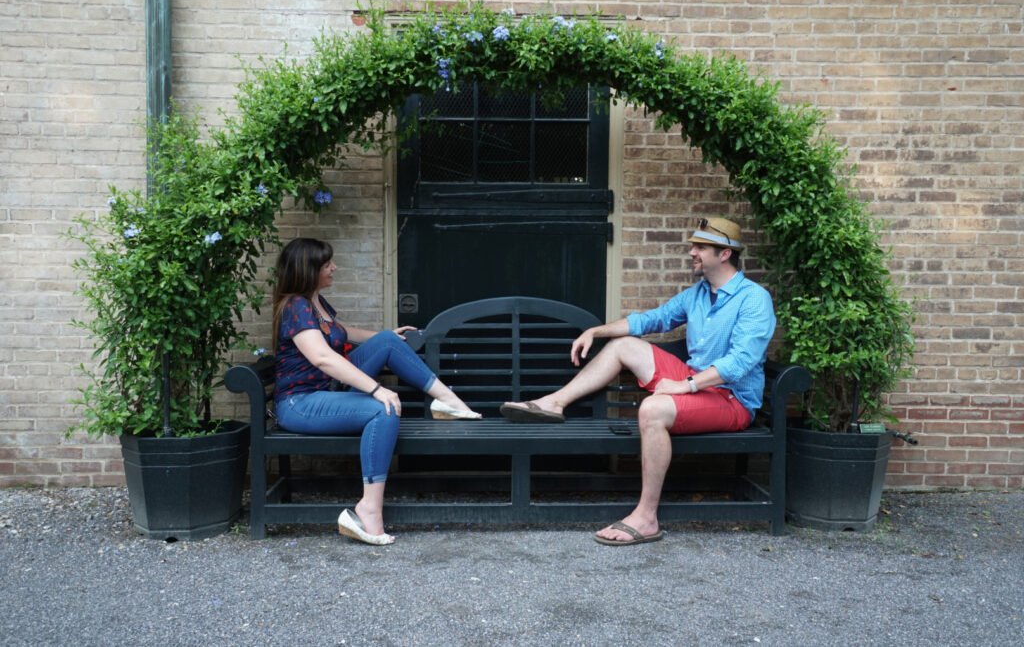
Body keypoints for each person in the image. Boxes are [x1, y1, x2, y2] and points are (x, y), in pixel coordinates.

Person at [500, 217, 776, 546]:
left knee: (652, 410)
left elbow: (741, 361)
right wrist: (595, 331)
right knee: (623, 346)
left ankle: (646, 518)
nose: (691, 253)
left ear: (725, 254)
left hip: (731, 400)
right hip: (697, 383)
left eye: (700, 247)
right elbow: (651, 320)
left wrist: (685, 386)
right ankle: (555, 402)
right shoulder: (698, 294)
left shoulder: (753, 299)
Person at [272, 237, 480, 546]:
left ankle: (448, 401)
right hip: (301, 403)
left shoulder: (314, 300)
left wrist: (386, 336)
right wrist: (377, 389)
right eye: (328, 264)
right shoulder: (295, 307)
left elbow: (342, 332)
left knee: (387, 341)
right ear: (309, 269)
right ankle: (367, 509)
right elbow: (322, 357)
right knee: (384, 408)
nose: (334, 268)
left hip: (327, 390)